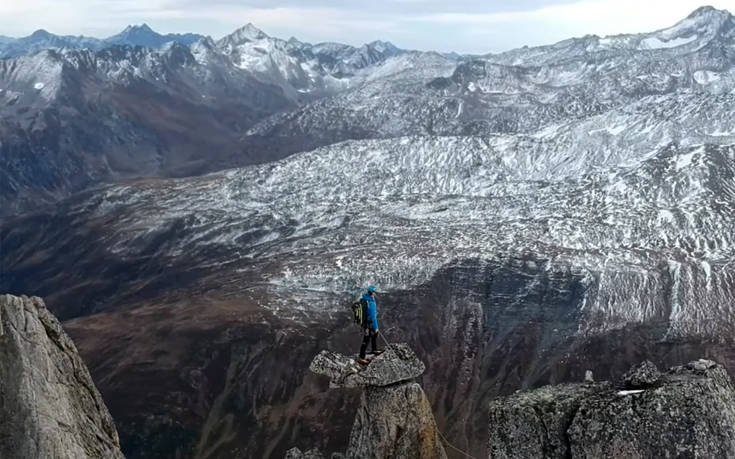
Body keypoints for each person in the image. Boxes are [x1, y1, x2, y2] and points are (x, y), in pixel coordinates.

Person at [357, 285, 382, 364]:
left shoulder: (365, 299)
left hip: (365, 323)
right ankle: (361, 357)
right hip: (369, 324)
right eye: (375, 292)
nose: (375, 294)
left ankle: (374, 349)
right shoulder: (371, 303)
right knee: (366, 339)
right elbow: (373, 317)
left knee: (373, 335)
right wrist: (376, 327)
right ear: (372, 293)